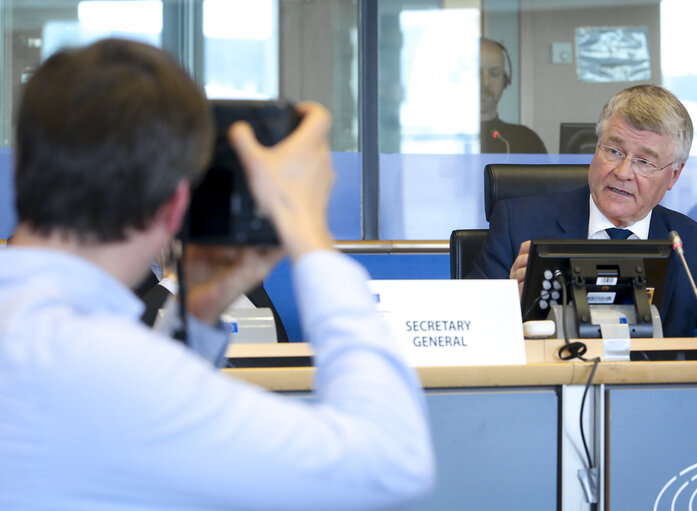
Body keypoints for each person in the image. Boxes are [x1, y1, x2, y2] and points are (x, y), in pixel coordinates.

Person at [0, 38, 434, 509]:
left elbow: (134, 421)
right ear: (174, 207)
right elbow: (393, 461)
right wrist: (310, 237)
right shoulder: (85, 360)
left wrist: (198, 310)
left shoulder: (41, 332)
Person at [470, 84, 697, 339]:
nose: (622, 173)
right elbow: (467, 332)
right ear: (596, 149)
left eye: (644, 162)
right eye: (613, 150)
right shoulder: (517, 225)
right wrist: (506, 307)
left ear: (673, 175)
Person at [480, 37, 547, 154]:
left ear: (505, 80)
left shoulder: (527, 140)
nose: (485, 82)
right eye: (476, 72)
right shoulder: (440, 139)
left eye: (494, 73)